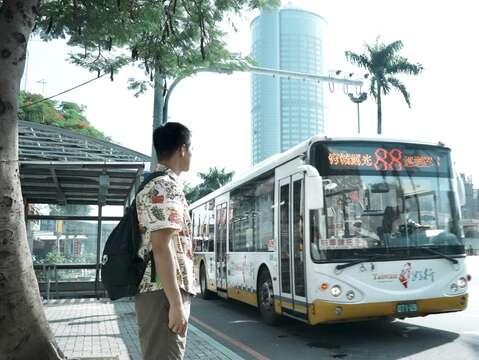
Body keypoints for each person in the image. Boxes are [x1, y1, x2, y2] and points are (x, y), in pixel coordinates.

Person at [135, 122, 195, 360]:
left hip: (160, 292)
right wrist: (176, 304)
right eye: (191, 149)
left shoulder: (159, 184)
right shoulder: (164, 187)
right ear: (182, 149)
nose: (191, 155)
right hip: (162, 293)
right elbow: (161, 246)